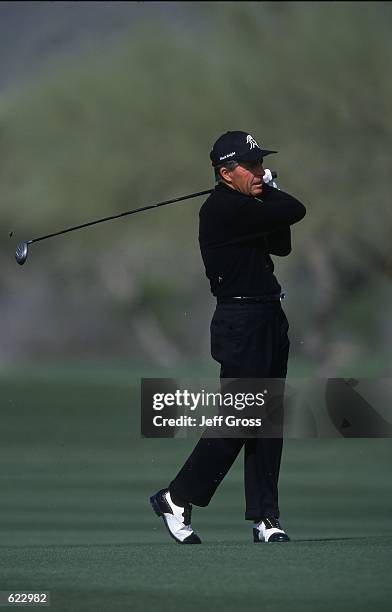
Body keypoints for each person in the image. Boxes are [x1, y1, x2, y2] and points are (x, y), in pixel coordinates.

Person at [150, 130, 306, 544]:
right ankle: (176, 496)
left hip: (269, 316)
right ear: (225, 173)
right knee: (242, 418)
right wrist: (271, 188)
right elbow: (297, 209)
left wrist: (262, 190)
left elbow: (282, 243)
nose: (259, 171)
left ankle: (266, 518)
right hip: (240, 322)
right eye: (251, 166)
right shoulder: (222, 209)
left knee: (268, 420)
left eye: (260, 164)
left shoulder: (246, 205)